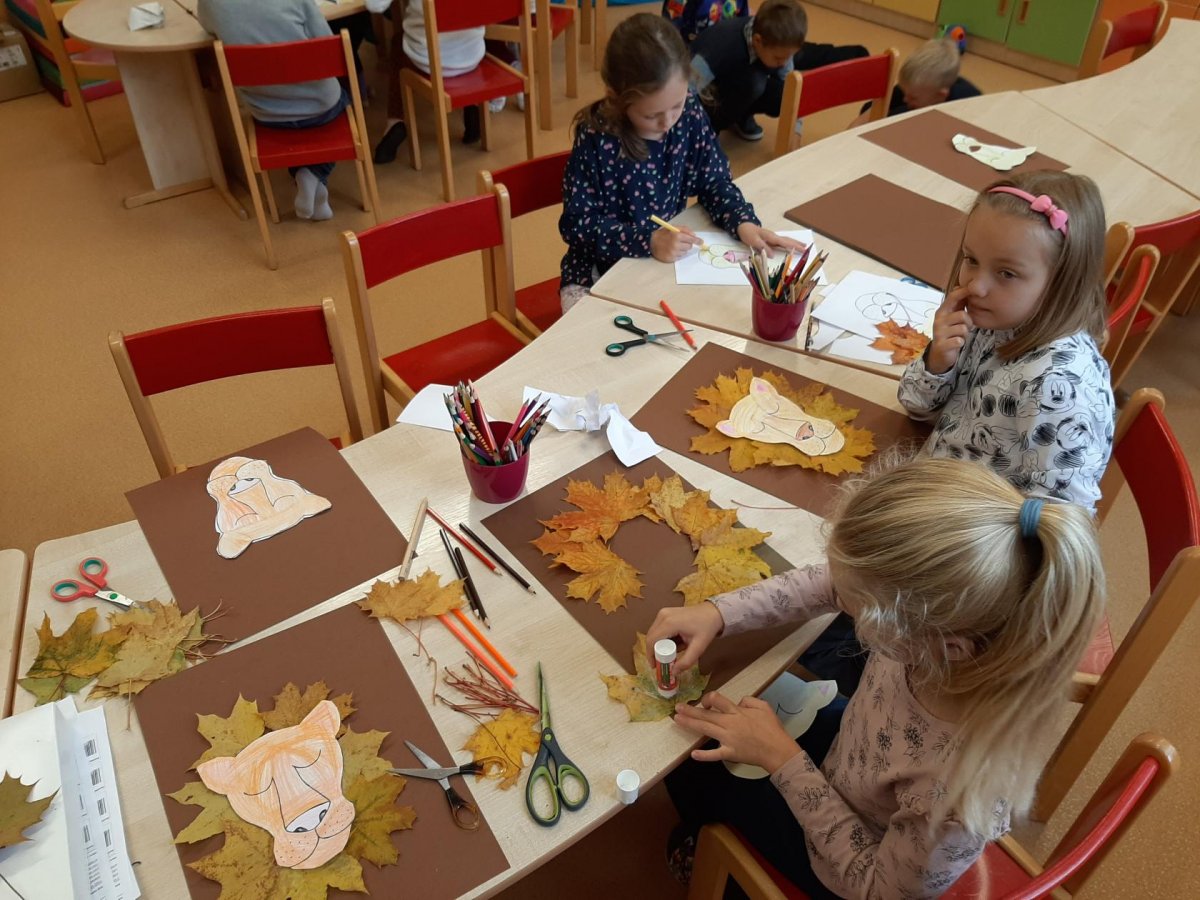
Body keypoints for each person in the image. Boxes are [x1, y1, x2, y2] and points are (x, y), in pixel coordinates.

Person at [648, 455, 1105, 897]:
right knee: (709, 735)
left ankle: (715, 865)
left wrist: (782, 759)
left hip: (845, 866)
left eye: (855, 607)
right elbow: (834, 583)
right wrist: (720, 614)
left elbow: (876, 891)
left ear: (942, 646)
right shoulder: (938, 636)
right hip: (854, 760)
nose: (841, 598)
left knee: (690, 770)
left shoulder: (957, 796)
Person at [802, 171, 1117, 699]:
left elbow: (1056, 538)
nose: (977, 286)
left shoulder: (1060, 389)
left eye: (1007, 272)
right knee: (825, 578)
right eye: (971, 260)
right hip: (931, 509)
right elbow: (918, 405)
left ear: (1061, 282)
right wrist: (938, 359)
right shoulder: (990, 320)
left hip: (967, 569)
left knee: (830, 619)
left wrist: (960, 591)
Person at [558, 14, 803, 312]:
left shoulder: (689, 113)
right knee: (598, 335)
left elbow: (714, 181)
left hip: (663, 264)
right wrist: (647, 241)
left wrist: (742, 222)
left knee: (707, 317)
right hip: (596, 272)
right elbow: (577, 225)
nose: (667, 122)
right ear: (615, 99)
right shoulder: (596, 138)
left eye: (676, 105)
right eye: (651, 115)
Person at [198, 0, 348, 221]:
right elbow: (327, 44)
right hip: (320, 107)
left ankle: (307, 179)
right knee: (345, 99)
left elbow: (207, 25)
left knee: (293, 121)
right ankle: (313, 173)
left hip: (266, 112)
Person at [369, 0, 491, 164]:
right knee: (458, 30)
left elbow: (374, 6)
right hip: (471, 55)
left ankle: (395, 121)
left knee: (398, 42)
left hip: (428, 60)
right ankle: (471, 105)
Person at [865, 37, 981, 120]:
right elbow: (872, 110)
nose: (905, 99)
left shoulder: (966, 103)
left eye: (913, 97)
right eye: (905, 93)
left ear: (940, 95)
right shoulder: (914, 88)